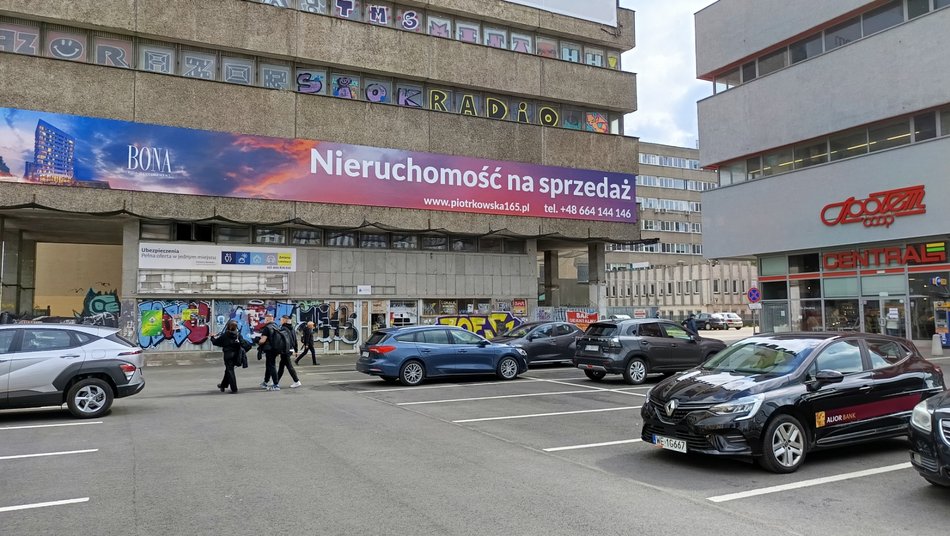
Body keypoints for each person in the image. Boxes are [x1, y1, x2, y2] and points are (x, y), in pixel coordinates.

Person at [210, 320, 242, 393]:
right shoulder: (238, 334)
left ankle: (234, 388)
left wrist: (212, 337)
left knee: (230, 370)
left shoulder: (226, 335)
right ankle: (223, 385)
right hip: (236, 354)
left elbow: (216, 342)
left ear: (228, 326)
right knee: (228, 370)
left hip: (228, 355)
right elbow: (243, 343)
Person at [257, 313, 284, 391]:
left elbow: (263, 340)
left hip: (269, 349)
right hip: (276, 349)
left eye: (265, 318)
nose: (264, 320)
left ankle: (276, 384)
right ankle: (265, 382)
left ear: (267, 319)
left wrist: (258, 341)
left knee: (271, 366)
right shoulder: (276, 326)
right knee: (269, 365)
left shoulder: (267, 328)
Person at [277, 315, 302, 388]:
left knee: (289, 366)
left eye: (281, 320)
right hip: (290, 349)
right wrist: (296, 350)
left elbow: (282, 341)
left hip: (285, 350)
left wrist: (279, 350)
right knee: (282, 365)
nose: (280, 321)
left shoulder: (283, 329)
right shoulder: (292, 328)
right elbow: (295, 339)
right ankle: (276, 381)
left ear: (284, 320)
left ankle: (297, 381)